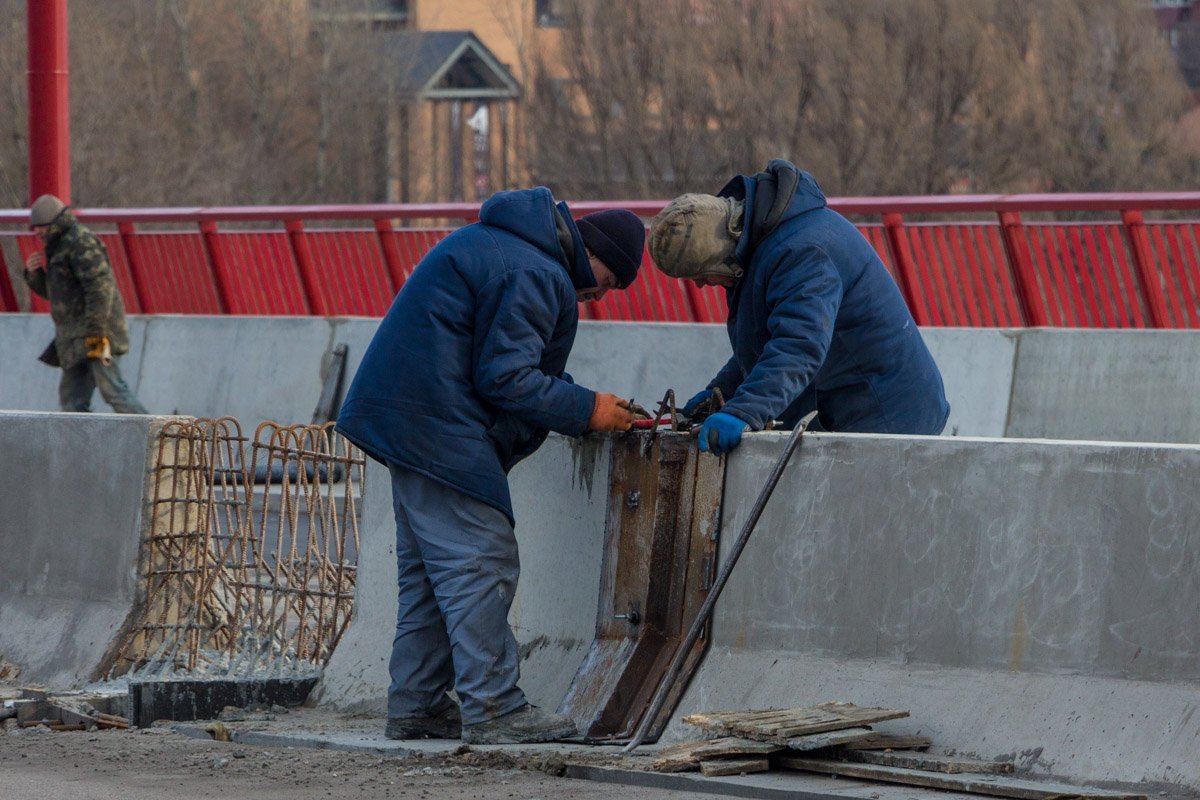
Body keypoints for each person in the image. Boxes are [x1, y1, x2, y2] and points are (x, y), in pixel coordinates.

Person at [336, 188, 644, 744]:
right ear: (594, 256)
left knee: (433, 577)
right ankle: (495, 709)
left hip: (410, 418)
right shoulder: (538, 271)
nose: (601, 295)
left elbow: (501, 363)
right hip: (436, 425)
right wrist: (587, 409)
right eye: (611, 281)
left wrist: (580, 401)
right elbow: (504, 377)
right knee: (481, 562)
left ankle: (417, 703)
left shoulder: (507, 248)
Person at [648, 159, 948, 454]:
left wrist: (743, 411)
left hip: (888, 421)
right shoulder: (765, 240)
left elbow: (799, 344)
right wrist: (722, 392)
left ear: (721, 254)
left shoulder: (804, 251)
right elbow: (767, 341)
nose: (701, 285)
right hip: (852, 411)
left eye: (700, 275)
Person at [23, 194, 148, 414]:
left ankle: (159, 439)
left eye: (42, 227)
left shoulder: (80, 242)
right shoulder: (58, 246)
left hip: (97, 335)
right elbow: (61, 296)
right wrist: (35, 276)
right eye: (36, 228)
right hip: (74, 340)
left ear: (55, 223)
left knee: (113, 391)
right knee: (71, 401)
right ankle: (76, 447)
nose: (38, 233)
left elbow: (101, 289)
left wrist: (96, 331)